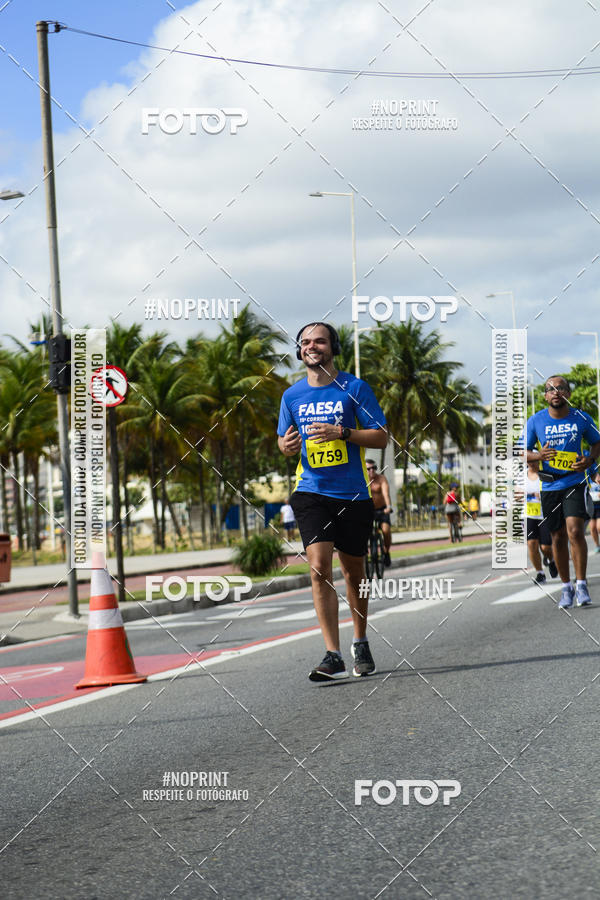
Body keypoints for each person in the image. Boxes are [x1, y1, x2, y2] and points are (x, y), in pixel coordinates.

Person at [277, 322, 387, 681]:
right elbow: (283, 439)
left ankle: (360, 640)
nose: (312, 346)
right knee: (319, 567)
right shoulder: (291, 396)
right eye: (306, 342)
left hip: (353, 494)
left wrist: (342, 432)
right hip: (311, 492)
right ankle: (332, 653)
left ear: (332, 347)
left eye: (320, 341)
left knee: (354, 573)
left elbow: (381, 437)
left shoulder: (354, 388)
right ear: (299, 350)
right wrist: (286, 446)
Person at [526, 375, 600, 608]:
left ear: (567, 393)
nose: (555, 392)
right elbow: (523, 452)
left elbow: (597, 443)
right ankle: (566, 588)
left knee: (575, 531)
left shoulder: (580, 418)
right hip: (549, 485)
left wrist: (588, 461)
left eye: (560, 388)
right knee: (557, 535)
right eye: (550, 389)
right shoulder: (536, 421)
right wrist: (539, 455)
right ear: (545, 396)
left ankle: (581, 584)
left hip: (574, 481)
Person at [526, 459, 558, 583]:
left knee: (545, 547)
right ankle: (540, 573)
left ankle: (551, 561)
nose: (531, 463)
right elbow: (517, 493)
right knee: (531, 544)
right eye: (529, 461)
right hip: (529, 515)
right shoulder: (521, 476)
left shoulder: (544, 475)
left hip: (544, 515)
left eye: (534, 461)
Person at [365, 459, 392, 566]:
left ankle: (386, 551)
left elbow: (386, 494)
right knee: (363, 532)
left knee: (386, 530)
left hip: (382, 509)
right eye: (368, 469)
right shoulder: (363, 479)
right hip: (368, 511)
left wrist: (388, 507)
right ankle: (365, 553)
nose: (372, 470)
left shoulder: (381, 479)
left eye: (374, 468)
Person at [587, 470, 600, 554]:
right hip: (591, 506)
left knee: (599, 527)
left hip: (599, 506)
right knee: (592, 528)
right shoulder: (586, 479)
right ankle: (597, 545)